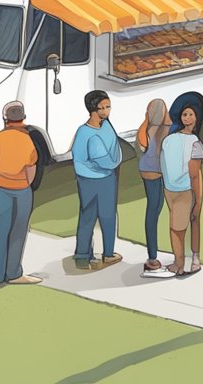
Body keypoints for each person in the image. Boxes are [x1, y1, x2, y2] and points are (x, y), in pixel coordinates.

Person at [0, 101, 42, 286]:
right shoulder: (27, 139)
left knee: (0, 231)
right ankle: (13, 273)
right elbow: (31, 166)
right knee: (18, 232)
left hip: (1, 188)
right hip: (22, 189)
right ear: (23, 118)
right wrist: (26, 184)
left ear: (5, 119)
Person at [72, 89, 122, 270]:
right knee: (102, 216)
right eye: (103, 107)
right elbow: (104, 158)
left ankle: (91, 255)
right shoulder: (88, 133)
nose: (107, 111)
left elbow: (114, 147)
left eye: (109, 106)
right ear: (93, 109)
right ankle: (90, 255)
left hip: (97, 177)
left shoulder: (105, 125)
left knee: (93, 216)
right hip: (98, 179)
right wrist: (114, 163)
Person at [158, 93, 203, 277]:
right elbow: (195, 174)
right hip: (184, 189)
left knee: (178, 227)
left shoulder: (171, 141)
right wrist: (198, 198)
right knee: (183, 226)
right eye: (185, 114)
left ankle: (184, 262)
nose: (188, 118)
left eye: (191, 114)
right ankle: (186, 262)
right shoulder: (194, 143)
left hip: (173, 188)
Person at [134, 98, 171, 276]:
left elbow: (139, 148)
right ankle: (152, 257)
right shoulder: (164, 130)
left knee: (154, 209)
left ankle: (153, 254)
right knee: (154, 210)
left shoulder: (145, 128)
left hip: (146, 170)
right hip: (156, 172)